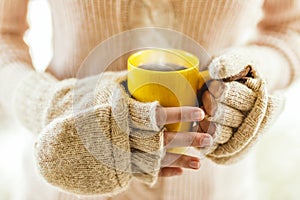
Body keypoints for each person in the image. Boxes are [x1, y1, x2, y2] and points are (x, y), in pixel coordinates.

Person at [0, 0, 299, 199]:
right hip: (66, 183)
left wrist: (249, 74)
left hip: (213, 187)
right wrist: (51, 104)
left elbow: (290, 28)